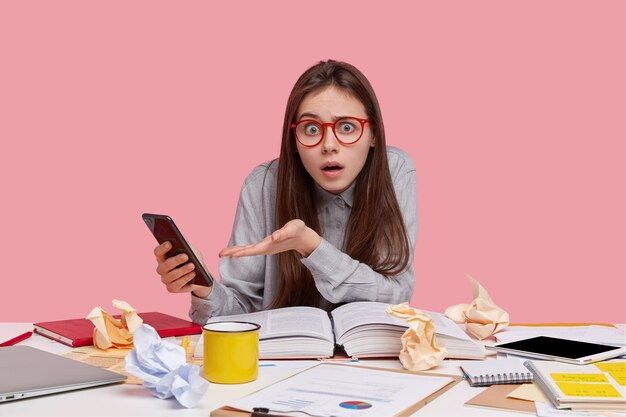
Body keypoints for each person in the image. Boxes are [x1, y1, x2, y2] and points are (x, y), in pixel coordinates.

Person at [153, 60, 417, 324]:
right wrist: (202, 284)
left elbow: (396, 296)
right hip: (283, 358)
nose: (329, 145)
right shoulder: (263, 184)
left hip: (368, 355)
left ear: (373, 135)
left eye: (347, 127)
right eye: (311, 129)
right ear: (293, 141)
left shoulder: (395, 171)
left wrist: (312, 247)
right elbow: (241, 312)